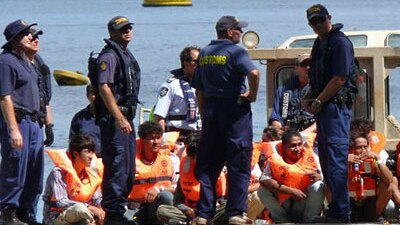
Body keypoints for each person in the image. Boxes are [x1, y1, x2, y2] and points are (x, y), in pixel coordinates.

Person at [190, 15, 260, 225]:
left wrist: (204, 117)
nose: (240, 32)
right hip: (234, 113)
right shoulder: (236, 51)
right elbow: (254, 73)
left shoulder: (204, 53)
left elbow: (199, 90)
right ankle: (235, 213)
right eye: (238, 29)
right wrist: (253, 96)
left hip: (211, 112)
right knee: (238, 163)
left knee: (209, 166)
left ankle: (203, 214)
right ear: (229, 32)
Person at [302, 4, 358, 222]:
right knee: (326, 160)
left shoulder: (339, 42)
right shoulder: (320, 43)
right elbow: (319, 76)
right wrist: (310, 98)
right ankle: (335, 210)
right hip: (324, 109)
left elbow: (339, 78)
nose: (317, 25)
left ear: (329, 18)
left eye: (320, 20)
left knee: (336, 161)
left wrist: (318, 100)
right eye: (313, 22)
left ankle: (342, 214)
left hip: (335, 109)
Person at [95, 16, 141, 225]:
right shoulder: (109, 56)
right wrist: (119, 117)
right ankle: (113, 213)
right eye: (123, 29)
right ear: (112, 32)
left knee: (129, 168)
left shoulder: (124, 54)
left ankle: (119, 210)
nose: (127, 31)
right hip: (116, 120)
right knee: (117, 166)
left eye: (129, 27)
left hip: (126, 118)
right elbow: (104, 88)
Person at [0, 19, 44, 225]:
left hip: (34, 123)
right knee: (15, 168)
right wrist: (13, 129)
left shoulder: (26, 61)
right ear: (16, 38)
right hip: (19, 122)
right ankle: (8, 213)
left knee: (34, 171)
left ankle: (26, 213)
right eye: (26, 34)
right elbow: (4, 97)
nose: (31, 36)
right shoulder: (6, 61)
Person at [156, 131, 228, 225]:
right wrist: (187, 210)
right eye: (193, 157)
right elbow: (177, 201)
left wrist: (205, 212)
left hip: (210, 213)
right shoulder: (185, 170)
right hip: (190, 213)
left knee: (229, 206)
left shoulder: (218, 171)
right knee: (162, 211)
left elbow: (221, 201)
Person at [257, 129, 324, 223]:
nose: (297, 149)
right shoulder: (276, 157)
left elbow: (324, 175)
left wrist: (320, 176)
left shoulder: (312, 156)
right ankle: (283, 221)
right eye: (293, 146)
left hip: (303, 201)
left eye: (299, 144)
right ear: (284, 147)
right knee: (262, 190)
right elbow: (263, 179)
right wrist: (291, 191)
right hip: (284, 202)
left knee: (318, 185)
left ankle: (309, 221)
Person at [42, 134, 105, 225]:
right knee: (80, 209)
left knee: (110, 210)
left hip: (83, 214)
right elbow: (61, 202)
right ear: (76, 154)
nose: (91, 156)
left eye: (92, 152)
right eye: (87, 152)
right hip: (56, 216)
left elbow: (97, 198)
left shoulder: (89, 173)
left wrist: (102, 209)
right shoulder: (59, 172)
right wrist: (90, 208)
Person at [128, 121, 178, 225]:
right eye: (151, 138)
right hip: (134, 208)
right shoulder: (129, 160)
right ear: (142, 140)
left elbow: (178, 187)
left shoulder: (171, 159)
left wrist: (158, 188)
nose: (156, 142)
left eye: (158, 138)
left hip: (157, 209)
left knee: (166, 196)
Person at [153, 46, 201, 141]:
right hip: (176, 136)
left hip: (197, 135)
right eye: (196, 61)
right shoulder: (171, 85)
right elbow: (159, 117)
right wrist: (161, 141)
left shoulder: (202, 85)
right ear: (185, 63)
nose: (200, 64)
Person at [347, 132, 393, 222]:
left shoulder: (373, 160)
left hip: (370, 203)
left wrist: (378, 158)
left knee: (388, 186)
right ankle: (339, 217)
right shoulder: (345, 160)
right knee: (327, 184)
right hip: (350, 202)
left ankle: (375, 218)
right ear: (352, 149)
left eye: (365, 147)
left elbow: (389, 179)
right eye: (359, 147)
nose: (363, 150)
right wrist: (344, 160)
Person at [269, 54, 316, 132]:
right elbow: (276, 117)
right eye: (304, 64)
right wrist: (280, 132)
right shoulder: (283, 90)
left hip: (313, 136)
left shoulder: (320, 89)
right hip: (289, 135)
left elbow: (324, 119)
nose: (308, 67)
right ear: (296, 68)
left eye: (311, 64)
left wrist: (304, 134)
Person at [25, 27, 54, 148]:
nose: (36, 41)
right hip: (22, 122)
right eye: (33, 38)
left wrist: (49, 125)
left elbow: (45, 97)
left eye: (38, 38)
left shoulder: (40, 63)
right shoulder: (13, 63)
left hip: (38, 123)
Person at [69, 84, 101, 157]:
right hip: (85, 159)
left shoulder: (110, 117)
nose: (96, 97)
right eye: (93, 94)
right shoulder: (79, 118)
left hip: (105, 158)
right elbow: (72, 142)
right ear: (88, 96)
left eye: (98, 94)